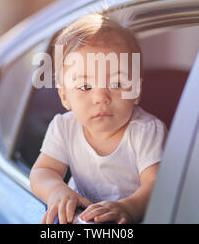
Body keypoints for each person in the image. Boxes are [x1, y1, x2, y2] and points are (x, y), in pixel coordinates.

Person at [30, 12, 167, 224]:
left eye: (116, 84)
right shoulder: (64, 127)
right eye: (85, 86)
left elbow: (156, 184)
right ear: (65, 96)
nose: (101, 97)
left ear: (136, 90)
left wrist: (128, 207)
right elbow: (42, 171)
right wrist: (56, 190)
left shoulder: (147, 130)